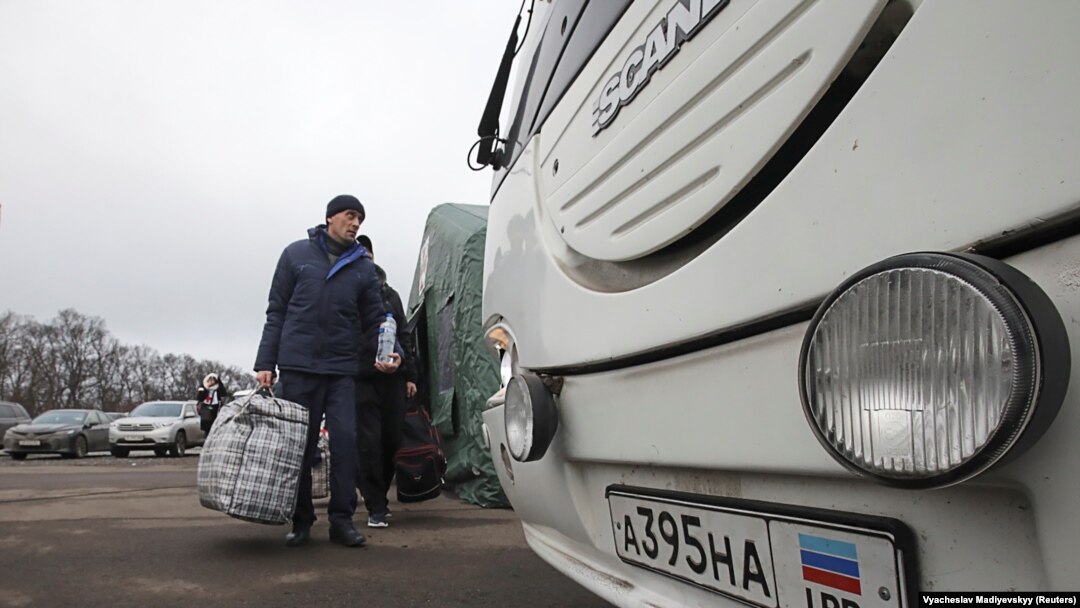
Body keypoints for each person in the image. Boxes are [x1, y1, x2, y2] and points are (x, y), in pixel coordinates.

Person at [254, 194, 400, 548]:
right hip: (298, 364)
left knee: (347, 442)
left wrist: (393, 353)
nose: (355, 224)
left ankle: (342, 521)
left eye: (360, 221)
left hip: (340, 369)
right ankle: (302, 520)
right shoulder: (295, 255)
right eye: (351, 216)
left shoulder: (363, 268)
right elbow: (277, 311)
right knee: (300, 448)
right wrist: (265, 363)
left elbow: (376, 320)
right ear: (331, 217)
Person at [354, 234, 418, 528]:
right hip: (362, 378)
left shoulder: (390, 294)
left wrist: (408, 371)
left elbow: (404, 333)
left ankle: (377, 492)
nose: (364, 260)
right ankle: (375, 504)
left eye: (367, 255)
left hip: (393, 377)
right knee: (368, 442)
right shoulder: (347, 293)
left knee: (392, 439)